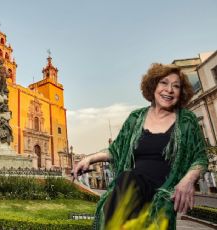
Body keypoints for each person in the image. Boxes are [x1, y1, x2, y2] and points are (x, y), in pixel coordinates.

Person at [74, 63, 208, 229]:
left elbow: (200, 157)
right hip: (131, 188)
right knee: (127, 181)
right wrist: (90, 158)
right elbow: (116, 149)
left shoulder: (187, 120)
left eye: (176, 86)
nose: (169, 90)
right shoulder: (135, 117)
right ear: (153, 86)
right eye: (164, 83)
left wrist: (188, 180)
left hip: (163, 192)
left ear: (181, 92)